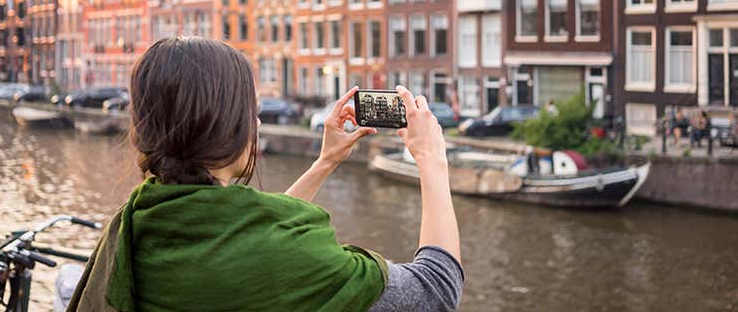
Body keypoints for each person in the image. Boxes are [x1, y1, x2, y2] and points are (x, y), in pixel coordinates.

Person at [67, 37, 463, 312]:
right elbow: (435, 291)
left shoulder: (142, 222)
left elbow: (251, 236)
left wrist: (323, 164)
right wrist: (431, 158)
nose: (256, 123)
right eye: (250, 112)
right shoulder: (290, 259)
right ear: (225, 124)